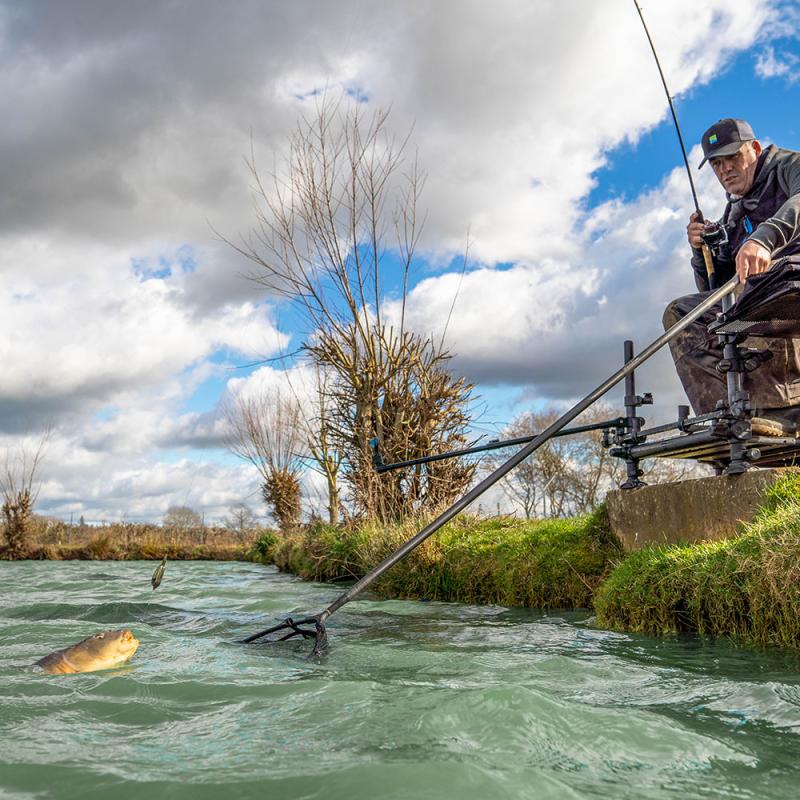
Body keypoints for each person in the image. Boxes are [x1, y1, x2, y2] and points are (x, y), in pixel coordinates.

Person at [663, 118, 800, 436]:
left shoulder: (788, 165)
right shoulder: (734, 214)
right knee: (684, 316)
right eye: (716, 164)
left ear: (753, 148)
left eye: (732, 158)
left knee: (765, 291)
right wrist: (703, 252)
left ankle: (788, 412)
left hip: (790, 285)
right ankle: (733, 417)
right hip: (764, 294)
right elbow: (718, 293)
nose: (725, 170)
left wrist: (764, 238)